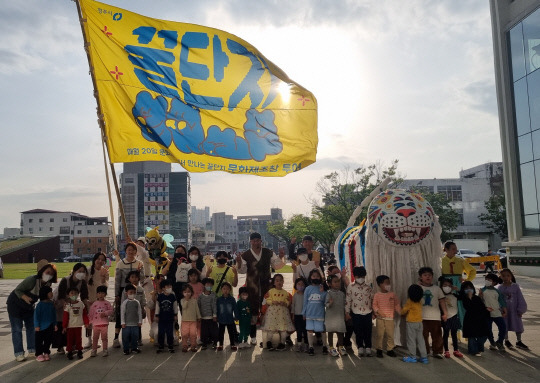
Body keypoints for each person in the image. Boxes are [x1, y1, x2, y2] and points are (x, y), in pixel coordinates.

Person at [236, 232, 285, 345]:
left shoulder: (268, 252)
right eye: (254, 240)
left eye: (258, 240)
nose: (256, 242)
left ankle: (268, 338)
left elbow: (277, 266)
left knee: (267, 312)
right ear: (250, 242)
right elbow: (242, 270)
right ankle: (253, 337)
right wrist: (238, 262)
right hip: (251, 288)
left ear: (261, 241)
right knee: (252, 313)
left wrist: (281, 257)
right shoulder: (246, 255)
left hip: (266, 287)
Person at [7, 262, 57, 362]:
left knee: (31, 328)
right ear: (42, 271)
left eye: (51, 274)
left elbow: (44, 296)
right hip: (15, 304)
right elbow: (18, 290)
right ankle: (19, 353)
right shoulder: (32, 280)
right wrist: (25, 297)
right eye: (48, 272)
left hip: (29, 306)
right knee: (17, 329)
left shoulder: (48, 283)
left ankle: (32, 350)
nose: (49, 275)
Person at [113, 243, 144, 348]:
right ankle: (116, 338)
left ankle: (137, 338)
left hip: (135, 291)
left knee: (135, 313)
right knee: (120, 314)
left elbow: (142, 278)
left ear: (136, 252)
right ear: (125, 251)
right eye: (129, 250)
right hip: (123, 290)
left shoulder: (139, 263)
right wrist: (117, 294)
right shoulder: (120, 264)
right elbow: (117, 281)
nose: (131, 252)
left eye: (133, 250)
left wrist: (140, 272)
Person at [54, 263, 89, 352]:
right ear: (74, 271)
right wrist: (65, 306)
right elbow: (61, 296)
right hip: (59, 302)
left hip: (70, 302)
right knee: (61, 323)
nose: (81, 273)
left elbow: (84, 297)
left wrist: (87, 308)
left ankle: (71, 344)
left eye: (83, 272)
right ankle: (60, 346)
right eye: (79, 271)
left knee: (71, 323)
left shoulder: (82, 282)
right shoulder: (65, 280)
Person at [441, 241, 476, 325]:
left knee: (460, 304)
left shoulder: (460, 260)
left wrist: (467, 280)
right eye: (453, 249)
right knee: (447, 304)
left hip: (458, 285)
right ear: (446, 249)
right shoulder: (441, 261)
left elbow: (472, 270)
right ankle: (449, 327)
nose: (456, 251)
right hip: (446, 286)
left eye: (456, 249)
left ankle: (463, 326)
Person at [418, 266, 448, 359]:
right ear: (420, 277)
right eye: (425, 275)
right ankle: (425, 351)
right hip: (421, 317)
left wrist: (445, 313)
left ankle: (437, 351)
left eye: (430, 275)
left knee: (437, 335)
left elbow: (442, 301)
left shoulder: (437, 289)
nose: (428, 277)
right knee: (423, 336)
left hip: (435, 317)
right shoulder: (417, 287)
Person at [260, 274, 295, 351]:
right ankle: (268, 342)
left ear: (283, 282)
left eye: (281, 280)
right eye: (277, 280)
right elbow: (267, 300)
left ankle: (282, 343)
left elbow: (288, 301)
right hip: (272, 313)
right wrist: (272, 302)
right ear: (274, 282)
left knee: (283, 328)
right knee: (271, 328)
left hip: (283, 314)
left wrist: (285, 303)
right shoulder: (271, 291)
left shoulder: (285, 293)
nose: (279, 282)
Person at [345, 266, 374, 357]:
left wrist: (374, 311)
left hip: (368, 312)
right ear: (354, 276)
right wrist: (347, 312)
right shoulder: (351, 286)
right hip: (355, 312)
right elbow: (348, 300)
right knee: (358, 330)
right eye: (358, 277)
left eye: (362, 277)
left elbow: (372, 299)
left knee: (368, 330)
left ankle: (368, 347)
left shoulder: (369, 286)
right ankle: (360, 347)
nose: (360, 279)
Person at [497, 268, 528, 350]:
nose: (506, 278)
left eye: (508, 276)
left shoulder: (516, 287)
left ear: (511, 276)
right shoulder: (499, 288)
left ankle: (519, 341)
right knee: (505, 325)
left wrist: (521, 309)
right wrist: (500, 309)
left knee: (518, 325)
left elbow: (520, 298)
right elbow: (498, 300)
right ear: (500, 277)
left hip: (515, 310)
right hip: (504, 311)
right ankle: (506, 340)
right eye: (503, 276)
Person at [373, 275, 401, 358]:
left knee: (390, 334)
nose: (388, 285)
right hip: (380, 319)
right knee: (380, 334)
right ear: (380, 284)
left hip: (390, 318)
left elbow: (397, 304)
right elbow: (374, 305)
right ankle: (379, 349)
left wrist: (401, 312)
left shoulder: (392, 294)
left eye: (389, 283)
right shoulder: (377, 295)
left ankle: (390, 349)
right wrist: (378, 311)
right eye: (386, 283)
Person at [86, 252, 110, 349]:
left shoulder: (105, 271)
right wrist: (86, 300)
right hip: (89, 300)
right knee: (89, 321)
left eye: (102, 260)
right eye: (98, 259)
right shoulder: (88, 270)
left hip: (99, 301)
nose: (100, 261)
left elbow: (105, 287)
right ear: (94, 259)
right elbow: (83, 285)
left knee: (98, 322)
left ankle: (97, 339)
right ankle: (89, 340)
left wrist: (103, 278)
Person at [303, 269, 328, 356]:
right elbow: (305, 302)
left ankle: (325, 346)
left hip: (320, 313)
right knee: (310, 330)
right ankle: (311, 347)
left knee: (322, 330)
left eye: (317, 276)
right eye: (313, 276)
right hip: (309, 313)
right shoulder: (307, 289)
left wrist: (322, 292)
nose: (315, 278)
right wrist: (304, 313)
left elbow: (325, 301)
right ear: (310, 277)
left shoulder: (322, 288)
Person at [460, 281, 490, 356]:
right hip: (470, 319)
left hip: (480, 319)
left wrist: (486, 309)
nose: (469, 290)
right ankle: (473, 350)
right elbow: (469, 307)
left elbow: (481, 306)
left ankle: (478, 348)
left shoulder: (477, 298)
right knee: (472, 336)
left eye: (470, 288)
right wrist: (469, 298)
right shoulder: (464, 299)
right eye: (466, 288)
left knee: (483, 334)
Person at [401, 284, 428, 364]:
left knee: (411, 340)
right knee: (421, 340)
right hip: (420, 322)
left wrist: (400, 311)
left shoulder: (409, 301)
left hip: (411, 323)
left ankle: (412, 357)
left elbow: (403, 311)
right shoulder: (420, 301)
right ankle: (424, 357)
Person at [480, 273, 507, 352]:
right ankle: (492, 343)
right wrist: (480, 296)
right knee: (488, 329)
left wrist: (505, 309)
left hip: (497, 312)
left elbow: (501, 301)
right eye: (486, 279)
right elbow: (479, 301)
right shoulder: (482, 290)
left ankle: (500, 342)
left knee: (503, 327)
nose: (487, 281)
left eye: (489, 280)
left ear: (494, 282)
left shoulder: (497, 291)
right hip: (486, 313)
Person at [438, 277, 463, 358]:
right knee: (445, 334)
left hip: (454, 317)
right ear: (441, 286)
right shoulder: (440, 296)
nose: (447, 287)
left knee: (454, 334)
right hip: (445, 317)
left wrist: (458, 289)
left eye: (449, 285)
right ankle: (446, 350)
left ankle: (456, 350)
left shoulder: (455, 295)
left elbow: (463, 297)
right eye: (445, 285)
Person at [63, 287, 89, 360]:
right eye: (71, 293)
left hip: (78, 325)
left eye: (75, 293)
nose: (73, 295)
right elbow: (65, 316)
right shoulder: (67, 305)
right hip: (70, 326)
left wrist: (86, 322)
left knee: (78, 339)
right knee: (70, 340)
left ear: (78, 294)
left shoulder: (81, 304)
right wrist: (64, 326)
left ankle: (79, 351)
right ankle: (70, 352)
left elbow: (84, 314)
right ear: (68, 295)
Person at [121, 271, 147, 346]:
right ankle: (128, 341)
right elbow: (123, 301)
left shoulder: (141, 289)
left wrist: (143, 308)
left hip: (137, 311)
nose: (134, 279)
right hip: (128, 311)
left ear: (138, 278)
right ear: (129, 279)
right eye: (132, 277)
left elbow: (143, 300)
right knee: (128, 326)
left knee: (138, 326)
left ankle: (138, 339)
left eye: (136, 277)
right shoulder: (126, 289)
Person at [325, 274, 347, 357]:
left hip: (340, 315)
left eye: (338, 282)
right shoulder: (329, 293)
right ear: (330, 284)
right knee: (330, 332)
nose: (337, 283)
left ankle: (340, 347)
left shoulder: (342, 294)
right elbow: (326, 304)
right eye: (335, 282)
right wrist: (329, 303)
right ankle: (331, 347)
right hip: (331, 316)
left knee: (340, 331)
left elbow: (345, 304)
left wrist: (346, 313)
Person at [88, 285, 113, 357]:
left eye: (102, 293)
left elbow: (111, 311)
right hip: (96, 324)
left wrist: (105, 313)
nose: (100, 295)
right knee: (95, 338)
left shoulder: (107, 303)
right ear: (96, 294)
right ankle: (94, 350)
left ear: (105, 294)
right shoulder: (94, 304)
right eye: (99, 293)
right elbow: (91, 313)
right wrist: (90, 322)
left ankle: (105, 350)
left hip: (104, 324)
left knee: (104, 338)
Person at [34, 286, 57, 362]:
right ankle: (39, 354)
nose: (52, 294)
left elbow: (54, 315)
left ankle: (46, 352)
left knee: (48, 340)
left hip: (50, 325)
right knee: (39, 341)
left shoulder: (51, 304)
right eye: (50, 292)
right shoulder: (40, 305)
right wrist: (36, 325)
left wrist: (55, 324)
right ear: (45, 294)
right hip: (41, 326)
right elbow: (36, 316)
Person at [155, 279, 178, 353]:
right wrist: (157, 315)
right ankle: (161, 346)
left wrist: (175, 315)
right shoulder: (160, 296)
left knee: (169, 332)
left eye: (170, 286)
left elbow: (175, 306)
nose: (169, 287)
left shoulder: (172, 296)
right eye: (167, 286)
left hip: (170, 317)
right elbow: (157, 306)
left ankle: (170, 345)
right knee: (161, 332)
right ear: (163, 288)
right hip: (161, 318)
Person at [120, 284, 142, 355]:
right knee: (125, 337)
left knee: (135, 337)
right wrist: (122, 322)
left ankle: (134, 348)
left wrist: (140, 321)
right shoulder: (125, 303)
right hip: (126, 324)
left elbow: (139, 312)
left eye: (134, 292)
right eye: (130, 292)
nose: (132, 294)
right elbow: (122, 313)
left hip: (135, 324)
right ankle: (126, 349)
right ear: (126, 293)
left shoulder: (137, 302)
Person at [216, 282, 238, 351]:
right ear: (221, 290)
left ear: (230, 290)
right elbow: (217, 309)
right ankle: (221, 344)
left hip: (230, 319)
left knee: (231, 333)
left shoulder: (232, 299)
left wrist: (236, 316)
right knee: (221, 333)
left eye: (227, 289)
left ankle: (232, 344)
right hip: (221, 319)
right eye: (224, 289)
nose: (226, 290)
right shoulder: (219, 300)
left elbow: (235, 308)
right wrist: (216, 316)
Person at [198, 277, 218, 350]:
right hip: (203, 317)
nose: (208, 286)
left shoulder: (213, 295)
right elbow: (199, 306)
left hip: (212, 318)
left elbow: (214, 305)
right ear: (204, 285)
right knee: (204, 332)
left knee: (214, 331)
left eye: (210, 284)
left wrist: (215, 315)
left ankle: (215, 343)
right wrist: (199, 316)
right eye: (207, 284)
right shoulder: (200, 296)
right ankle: (204, 344)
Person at [180, 284, 201, 352]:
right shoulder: (182, 300)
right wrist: (186, 300)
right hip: (185, 321)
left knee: (193, 334)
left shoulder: (194, 300)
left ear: (191, 292)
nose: (187, 293)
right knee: (184, 334)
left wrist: (199, 316)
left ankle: (193, 346)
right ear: (183, 293)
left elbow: (197, 309)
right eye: (185, 292)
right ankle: (185, 346)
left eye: (189, 291)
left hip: (193, 321)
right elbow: (184, 307)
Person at [291, 277, 308, 352]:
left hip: (305, 316)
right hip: (297, 315)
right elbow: (293, 305)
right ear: (296, 285)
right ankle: (299, 344)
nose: (300, 286)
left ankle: (307, 344)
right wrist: (293, 314)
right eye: (298, 284)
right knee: (299, 330)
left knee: (305, 330)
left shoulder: (306, 295)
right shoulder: (295, 295)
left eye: (302, 284)